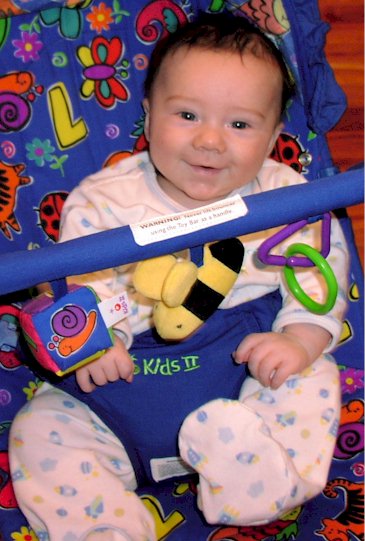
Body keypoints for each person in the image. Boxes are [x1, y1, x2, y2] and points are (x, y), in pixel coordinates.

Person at [9, 12, 349, 541]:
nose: (211, 141)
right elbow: (82, 285)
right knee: (39, 430)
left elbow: (319, 271)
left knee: (314, 380)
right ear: (148, 115)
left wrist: (301, 337)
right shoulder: (103, 200)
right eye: (187, 115)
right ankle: (103, 527)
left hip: (244, 373)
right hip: (126, 375)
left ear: (273, 135)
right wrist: (99, 344)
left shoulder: (286, 195)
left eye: (239, 125)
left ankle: (255, 482)